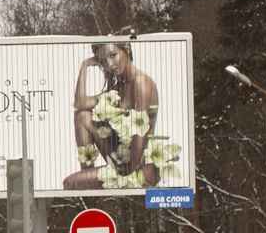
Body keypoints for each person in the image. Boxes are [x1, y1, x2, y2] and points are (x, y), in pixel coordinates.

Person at [64, 40, 179, 191]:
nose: (110, 64)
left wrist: (129, 170)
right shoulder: (119, 87)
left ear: (126, 49)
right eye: (104, 61)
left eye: (113, 55)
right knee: (82, 116)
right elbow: (80, 104)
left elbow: (140, 132)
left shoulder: (141, 82)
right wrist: (84, 66)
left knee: (70, 183)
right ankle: (87, 176)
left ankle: (88, 186)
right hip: (123, 159)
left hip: (140, 168)